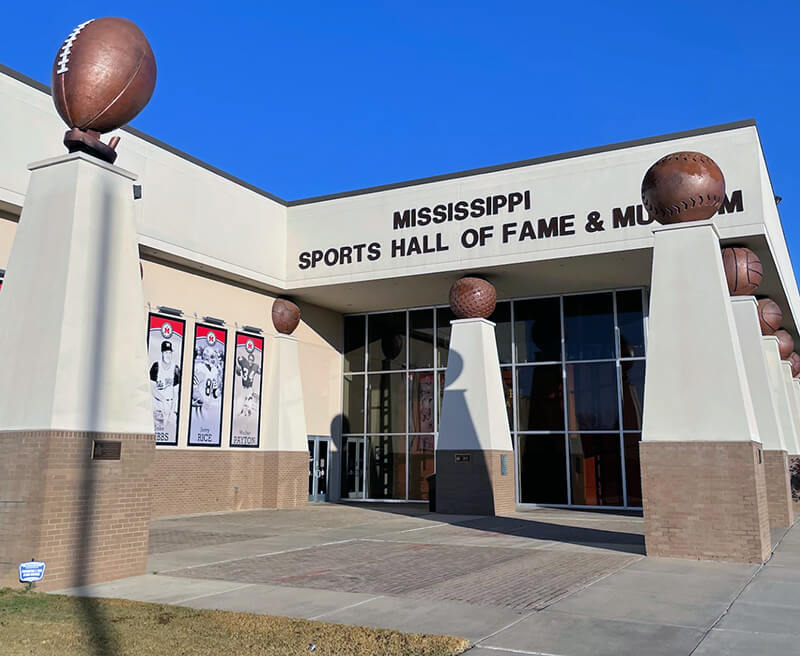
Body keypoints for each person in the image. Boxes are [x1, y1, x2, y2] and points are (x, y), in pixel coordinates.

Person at [149, 340, 180, 438]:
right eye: (166, 352)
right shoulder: (156, 366)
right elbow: (152, 389)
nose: (168, 355)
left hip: (170, 406)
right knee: (158, 434)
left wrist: (173, 410)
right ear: (162, 353)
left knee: (171, 434)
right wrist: (163, 400)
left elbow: (176, 392)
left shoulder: (175, 368)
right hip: (159, 406)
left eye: (170, 352)